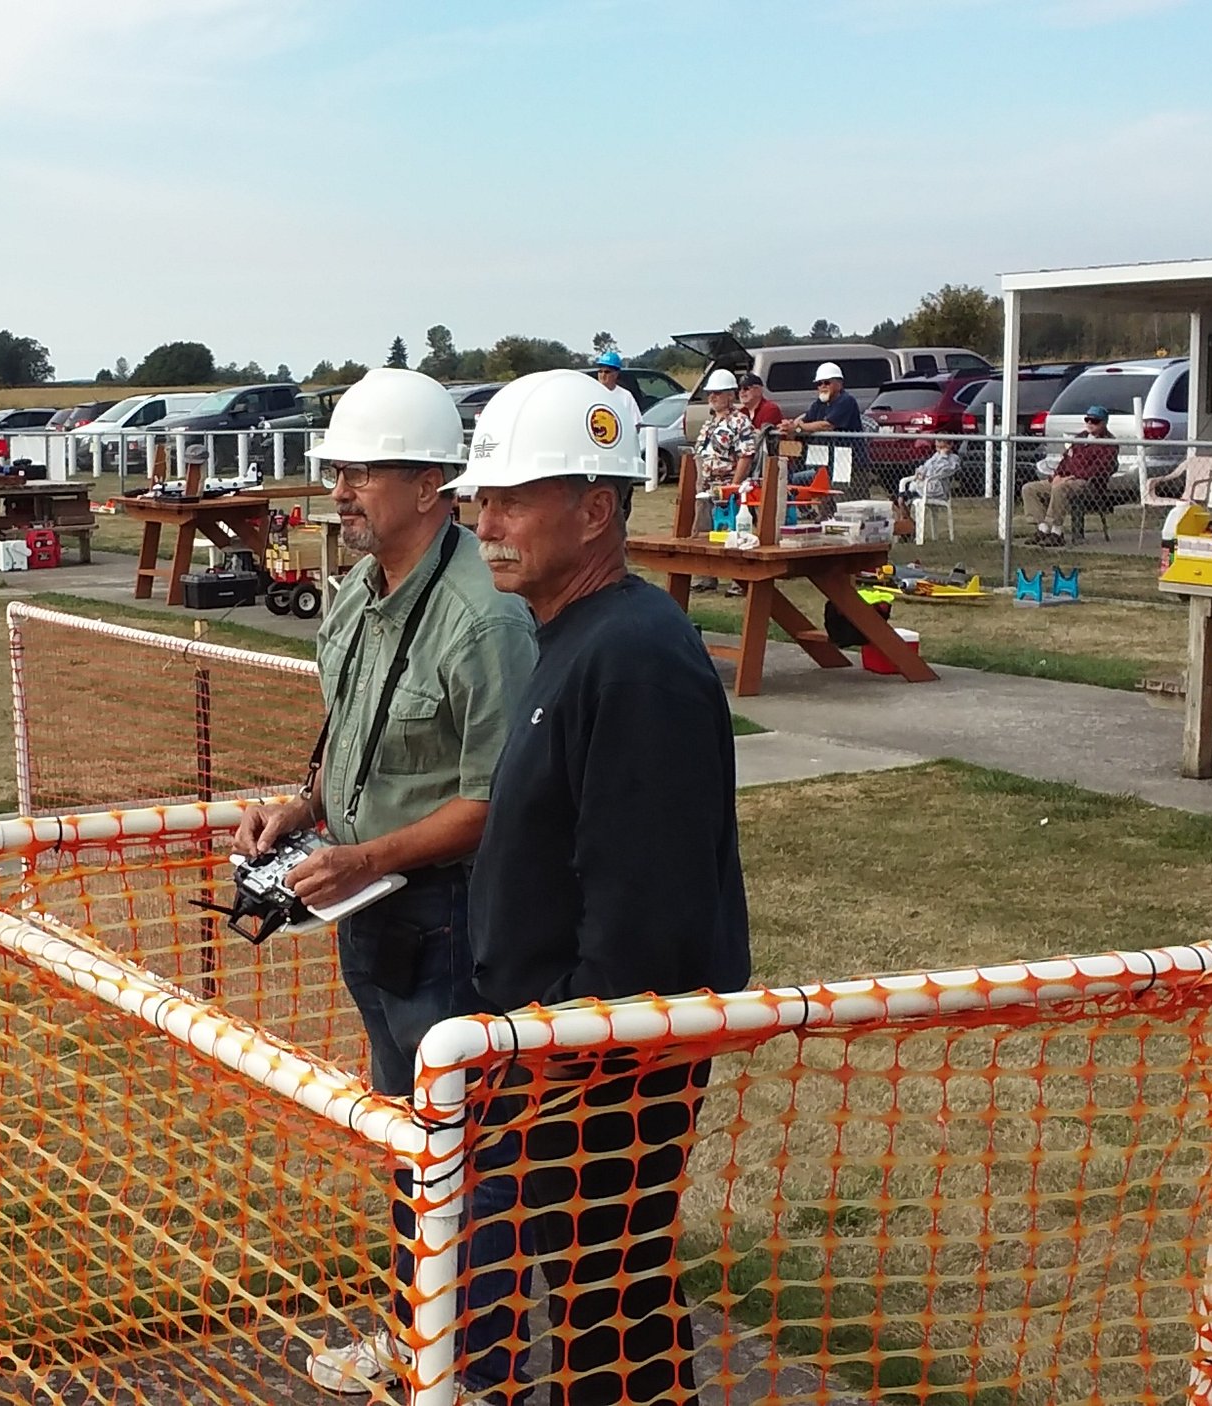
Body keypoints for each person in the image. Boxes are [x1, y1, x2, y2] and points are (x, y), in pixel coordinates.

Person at [231, 367, 539, 1399]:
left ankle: (478, 1373)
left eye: (363, 470)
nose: (341, 489)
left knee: (470, 1165)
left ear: (430, 483)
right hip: (372, 913)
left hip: (449, 923)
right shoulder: (360, 594)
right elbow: (357, 745)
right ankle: (420, 1345)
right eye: (339, 469)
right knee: (408, 1146)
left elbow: (497, 802)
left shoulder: (483, 619)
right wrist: (303, 812)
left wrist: (366, 855)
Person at [450, 369, 752, 1406]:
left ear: (595, 509)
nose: (485, 522)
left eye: (512, 498)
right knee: (602, 1299)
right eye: (478, 499)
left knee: (605, 1303)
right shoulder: (574, 636)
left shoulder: (634, 656)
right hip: (553, 1052)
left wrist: (558, 1063)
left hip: (600, 1066)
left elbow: (644, 914)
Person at [688, 368, 757, 595]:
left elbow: (746, 455)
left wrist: (733, 487)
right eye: (710, 393)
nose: (713, 397)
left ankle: (739, 581)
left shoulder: (740, 421)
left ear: (730, 395)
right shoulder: (709, 423)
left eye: (718, 393)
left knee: (734, 532)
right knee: (702, 530)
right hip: (705, 486)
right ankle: (705, 577)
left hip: (728, 484)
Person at [1020, 406, 1116, 546]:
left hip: (1088, 484)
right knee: (1029, 489)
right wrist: (1057, 476)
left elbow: (1098, 469)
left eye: (1094, 421)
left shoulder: (1108, 443)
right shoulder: (1081, 437)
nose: (1089, 423)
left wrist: (1070, 477)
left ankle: (1056, 532)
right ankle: (1043, 528)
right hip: (1064, 479)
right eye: (1087, 419)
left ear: (1104, 423)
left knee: (1061, 489)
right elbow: (1066, 459)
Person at [785, 360, 863, 487]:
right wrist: (795, 428)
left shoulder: (846, 401)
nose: (822, 386)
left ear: (839, 384)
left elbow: (827, 425)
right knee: (817, 496)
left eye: (827, 382)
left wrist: (798, 427)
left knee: (844, 501)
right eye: (819, 384)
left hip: (846, 462)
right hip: (823, 461)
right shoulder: (819, 404)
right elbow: (805, 424)